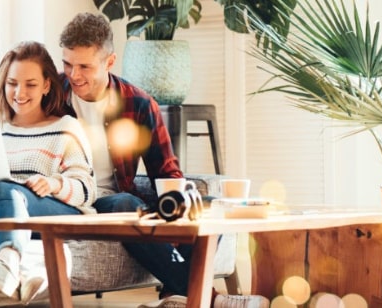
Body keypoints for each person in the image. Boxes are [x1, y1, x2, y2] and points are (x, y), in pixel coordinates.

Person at [58, 13, 268, 308]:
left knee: (209, 205)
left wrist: (184, 204)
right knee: (125, 205)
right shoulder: (52, 96)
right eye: (67, 63)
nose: (74, 75)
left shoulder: (138, 103)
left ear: (109, 62)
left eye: (84, 66)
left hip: (113, 196)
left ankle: (177, 296)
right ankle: (205, 297)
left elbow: (166, 171)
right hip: (72, 200)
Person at [0, 41, 96, 304]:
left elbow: (87, 190)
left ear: (47, 85)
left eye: (31, 84)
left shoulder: (66, 128)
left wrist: (54, 183)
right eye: (12, 83)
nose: (19, 92)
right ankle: (13, 270)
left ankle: (7, 266)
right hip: (6, 212)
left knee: (6, 188)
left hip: (55, 211)